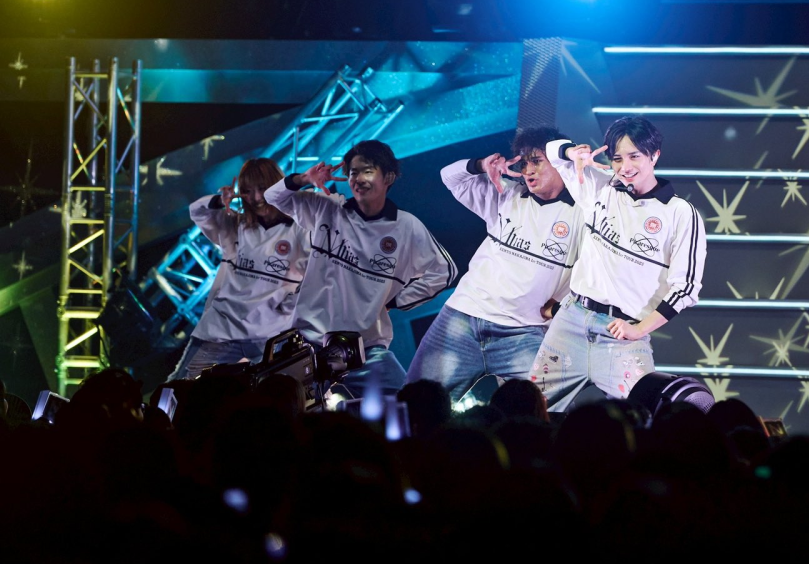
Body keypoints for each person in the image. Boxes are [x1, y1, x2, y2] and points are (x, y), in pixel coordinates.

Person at [528, 116, 706, 412]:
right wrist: (573, 153)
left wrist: (639, 329)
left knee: (647, 419)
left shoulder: (681, 213)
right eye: (617, 158)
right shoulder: (597, 187)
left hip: (622, 335)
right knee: (533, 413)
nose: (625, 167)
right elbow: (551, 150)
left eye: (634, 156)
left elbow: (685, 288)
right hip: (570, 322)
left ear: (655, 155)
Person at [264, 139, 457, 396]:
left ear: (388, 177)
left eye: (368, 170)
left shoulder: (407, 226)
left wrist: (396, 301)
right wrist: (303, 178)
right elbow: (273, 196)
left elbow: (445, 271)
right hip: (308, 341)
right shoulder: (327, 207)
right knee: (285, 412)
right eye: (353, 172)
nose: (358, 178)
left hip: (365, 348)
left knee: (405, 408)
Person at [404, 126, 582, 403]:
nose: (529, 170)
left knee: (544, 416)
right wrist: (479, 164)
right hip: (463, 319)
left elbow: (598, 275)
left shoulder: (584, 213)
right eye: (524, 162)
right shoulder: (507, 194)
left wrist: (562, 308)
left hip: (524, 332)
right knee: (414, 407)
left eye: (537, 161)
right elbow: (450, 178)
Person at [168, 158, 309, 380]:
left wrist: (286, 307)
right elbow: (197, 211)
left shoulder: (299, 230)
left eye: (262, 189)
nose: (255, 198)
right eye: (247, 191)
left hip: (269, 336)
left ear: (276, 185)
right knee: (178, 391)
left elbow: (316, 278)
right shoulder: (235, 225)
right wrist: (218, 199)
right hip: (221, 331)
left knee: (280, 401)